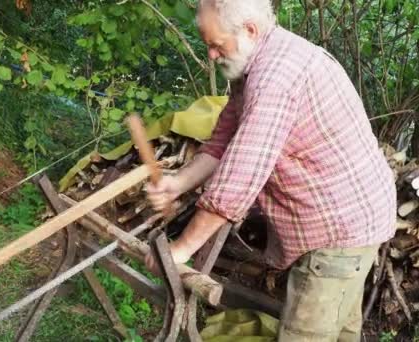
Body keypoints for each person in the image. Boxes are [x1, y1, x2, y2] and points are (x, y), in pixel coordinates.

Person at [144, 0, 397, 340]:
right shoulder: (251, 62)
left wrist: (181, 250)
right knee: (340, 331)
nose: (212, 56)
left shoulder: (275, 78)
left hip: (341, 229)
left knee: (305, 335)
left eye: (217, 45)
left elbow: (239, 178)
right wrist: (177, 184)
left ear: (249, 29)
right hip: (351, 218)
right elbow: (223, 140)